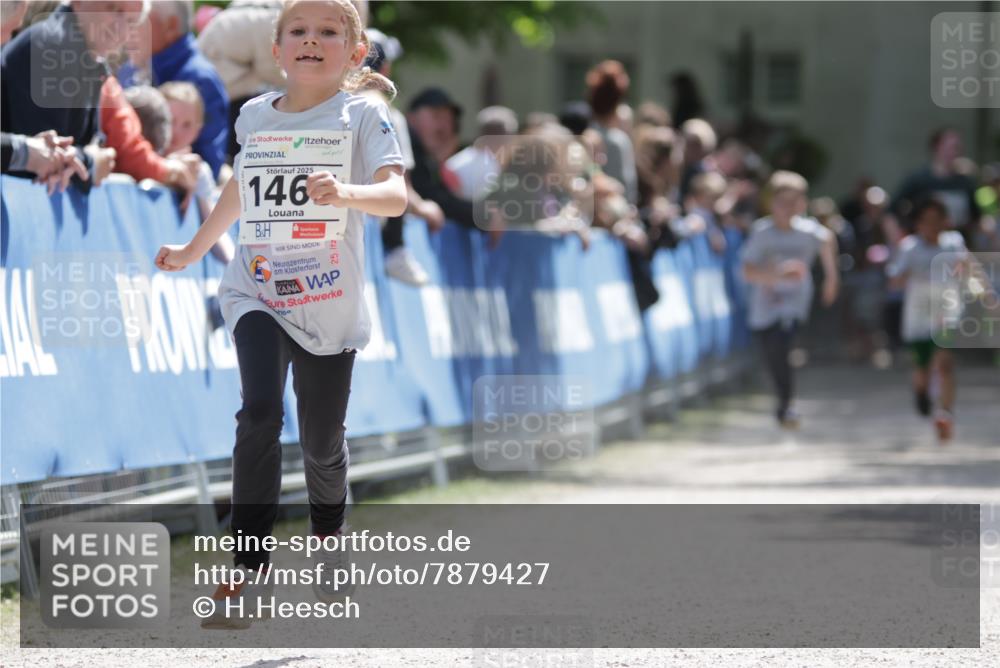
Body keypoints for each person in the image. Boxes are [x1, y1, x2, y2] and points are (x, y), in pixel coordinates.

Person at [154, 0, 407, 629]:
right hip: (257, 288)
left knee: (322, 443)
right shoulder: (255, 115)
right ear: (277, 49)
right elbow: (240, 186)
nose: (311, 41)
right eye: (298, 31)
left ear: (354, 53)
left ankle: (329, 538)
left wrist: (347, 192)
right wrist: (195, 248)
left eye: (328, 32)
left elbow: (396, 195)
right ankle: (246, 570)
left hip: (327, 299)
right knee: (260, 411)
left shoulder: (365, 114)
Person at [1, 1, 142, 191]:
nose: (122, 27)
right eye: (113, 9)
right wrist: (90, 163)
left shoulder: (89, 60)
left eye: (132, 21)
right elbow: (44, 161)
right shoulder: (52, 45)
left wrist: (90, 159)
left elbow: (92, 143)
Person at [741, 171, 839, 429]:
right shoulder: (762, 232)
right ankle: (784, 399)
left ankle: (787, 405)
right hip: (765, 302)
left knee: (784, 343)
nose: (787, 208)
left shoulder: (808, 231)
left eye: (793, 202)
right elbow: (747, 270)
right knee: (772, 353)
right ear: (770, 203)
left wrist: (831, 277)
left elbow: (828, 240)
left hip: (793, 302)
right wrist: (774, 273)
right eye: (781, 202)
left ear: (802, 204)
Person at [887, 199, 970, 442]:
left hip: (946, 312)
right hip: (918, 316)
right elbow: (895, 279)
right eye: (927, 221)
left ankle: (945, 413)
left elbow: (969, 269)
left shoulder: (954, 242)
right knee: (922, 368)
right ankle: (922, 394)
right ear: (918, 224)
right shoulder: (910, 247)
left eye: (937, 220)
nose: (932, 226)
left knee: (944, 363)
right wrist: (910, 275)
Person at [148, 0, 230, 178]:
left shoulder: (201, 79)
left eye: (145, 18)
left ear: (171, 25)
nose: (134, 25)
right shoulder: (143, 67)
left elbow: (209, 162)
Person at [892, 128, 981, 247]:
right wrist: (897, 240)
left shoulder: (965, 183)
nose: (953, 152)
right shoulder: (918, 180)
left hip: (955, 250)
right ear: (936, 147)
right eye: (949, 147)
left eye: (957, 148)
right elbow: (891, 212)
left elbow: (976, 218)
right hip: (924, 248)